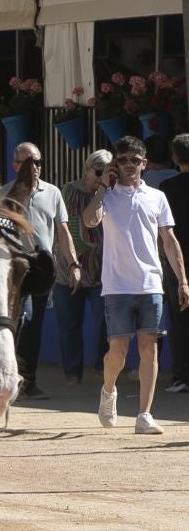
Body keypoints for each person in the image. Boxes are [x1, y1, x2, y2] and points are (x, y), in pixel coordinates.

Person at [85, 135, 189, 433]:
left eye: (135, 159)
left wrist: (182, 280)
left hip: (151, 284)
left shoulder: (157, 197)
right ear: (115, 164)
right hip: (116, 286)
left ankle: (144, 415)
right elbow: (90, 220)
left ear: (144, 163)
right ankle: (108, 391)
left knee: (149, 350)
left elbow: (169, 241)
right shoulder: (107, 196)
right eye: (123, 159)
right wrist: (104, 185)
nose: (129, 164)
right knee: (117, 352)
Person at [3, 142, 78, 400]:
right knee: (17, 323)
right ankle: (10, 379)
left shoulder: (53, 193)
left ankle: (28, 380)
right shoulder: (3, 195)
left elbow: (63, 231)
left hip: (41, 271)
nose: (34, 167)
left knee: (33, 326)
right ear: (15, 165)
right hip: (12, 272)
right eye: (27, 162)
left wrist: (73, 264)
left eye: (37, 162)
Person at [57, 151, 112, 384]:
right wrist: (71, 264)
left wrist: (103, 189)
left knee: (105, 322)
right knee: (69, 324)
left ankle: (101, 366)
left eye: (107, 173)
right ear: (87, 169)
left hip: (101, 269)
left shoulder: (110, 193)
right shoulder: (67, 191)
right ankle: (72, 372)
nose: (101, 177)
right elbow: (64, 227)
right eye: (98, 172)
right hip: (68, 267)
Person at [164, 134, 189, 393]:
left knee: (179, 319)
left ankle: (181, 375)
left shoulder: (167, 189)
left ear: (175, 158)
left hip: (177, 262)